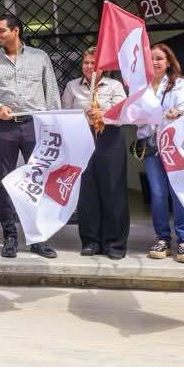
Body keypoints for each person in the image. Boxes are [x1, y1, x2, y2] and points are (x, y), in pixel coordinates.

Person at [0, 13, 62, 259]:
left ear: (16, 31)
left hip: (35, 126)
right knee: (6, 182)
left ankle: (38, 239)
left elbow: (51, 93)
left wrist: (55, 126)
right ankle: (10, 237)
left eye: (1, 30)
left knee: (37, 182)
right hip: (5, 128)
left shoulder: (40, 57)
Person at [61, 47, 129, 259]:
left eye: (94, 63)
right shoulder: (72, 86)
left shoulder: (115, 85)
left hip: (110, 139)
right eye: (86, 63)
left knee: (113, 191)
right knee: (87, 192)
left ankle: (115, 243)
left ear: (103, 67)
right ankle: (91, 241)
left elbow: (124, 114)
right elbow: (65, 115)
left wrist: (104, 114)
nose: (89, 67)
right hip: (83, 139)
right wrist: (83, 116)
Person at [138, 44, 184, 262]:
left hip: (174, 146)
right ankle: (162, 239)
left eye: (159, 58)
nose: (155, 62)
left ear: (168, 62)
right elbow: (134, 114)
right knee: (158, 193)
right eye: (151, 59)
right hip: (152, 146)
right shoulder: (140, 87)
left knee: (178, 192)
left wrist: (177, 111)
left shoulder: (178, 83)